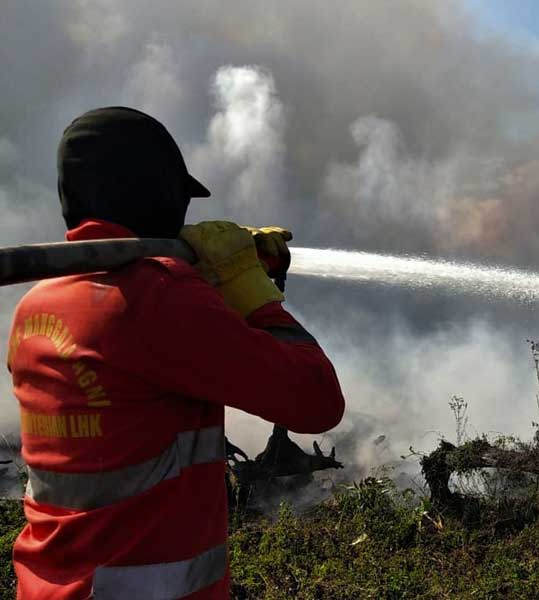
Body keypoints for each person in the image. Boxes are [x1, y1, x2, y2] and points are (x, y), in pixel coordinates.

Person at [5, 107, 345, 599]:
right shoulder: (159, 300)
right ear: (156, 194)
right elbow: (317, 400)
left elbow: (137, 366)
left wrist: (202, 281)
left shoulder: (35, 307)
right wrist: (247, 286)